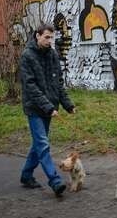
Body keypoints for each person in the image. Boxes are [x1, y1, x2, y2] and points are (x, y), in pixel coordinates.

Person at [19, 23, 76, 197]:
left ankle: (26, 175)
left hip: (50, 108)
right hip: (35, 108)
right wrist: (48, 107)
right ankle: (55, 180)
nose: (50, 41)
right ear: (37, 36)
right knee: (43, 144)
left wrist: (68, 104)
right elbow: (30, 87)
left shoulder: (52, 55)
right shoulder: (27, 56)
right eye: (46, 37)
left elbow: (58, 83)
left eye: (52, 37)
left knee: (38, 144)